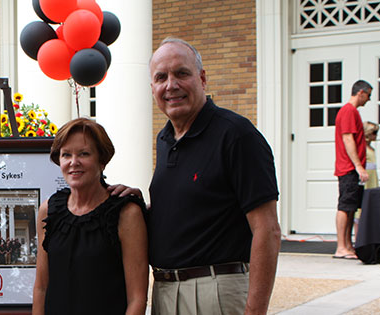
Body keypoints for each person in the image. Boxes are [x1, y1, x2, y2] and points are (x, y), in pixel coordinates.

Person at [112, 37, 281, 314]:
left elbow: (268, 230)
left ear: (202, 79)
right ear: (152, 87)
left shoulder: (237, 135)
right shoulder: (165, 139)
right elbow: (193, 213)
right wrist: (137, 209)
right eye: (161, 77)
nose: (171, 85)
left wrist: (255, 311)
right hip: (166, 292)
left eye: (182, 73)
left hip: (216, 292)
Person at [32, 118, 149, 315]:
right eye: (66, 154)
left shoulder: (126, 213)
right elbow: (41, 287)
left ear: (101, 161)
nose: (73, 162)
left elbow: (137, 298)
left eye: (84, 154)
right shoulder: (48, 210)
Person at [333, 80, 372, 260]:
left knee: (351, 208)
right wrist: (358, 166)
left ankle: (348, 245)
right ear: (361, 92)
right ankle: (341, 247)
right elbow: (348, 139)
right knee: (345, 206)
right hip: (348, 168)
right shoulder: (348, 111)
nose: (369, 100)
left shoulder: (352, 112)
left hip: (351, 169)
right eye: (368, 95)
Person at [364, 121, 379, 189]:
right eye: (374, 133)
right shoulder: (362, 148)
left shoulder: (371, 148)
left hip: (372, 175)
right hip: (366, 176)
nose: (376, 135)